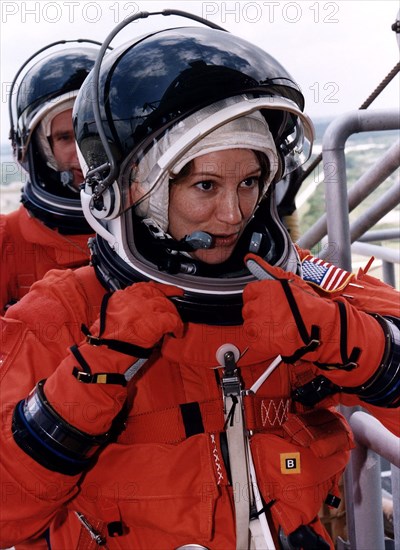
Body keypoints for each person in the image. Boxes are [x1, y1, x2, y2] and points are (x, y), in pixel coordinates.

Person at [1, 12, 399, 550]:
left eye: (251, 182)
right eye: (205, 185)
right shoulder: (62, 314)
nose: (233, 215)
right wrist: (84, 385)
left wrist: (345, 335)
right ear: (136, 189)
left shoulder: (298, 289)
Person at [0, 41, 99, 314]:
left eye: (91, 133)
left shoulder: (155, 238)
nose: (83, 154)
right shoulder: (7, 242)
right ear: (42, 150)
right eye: (66, 137)